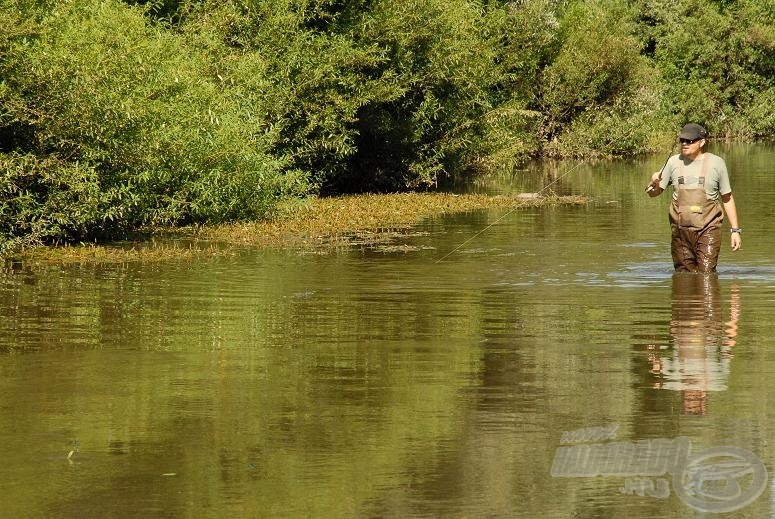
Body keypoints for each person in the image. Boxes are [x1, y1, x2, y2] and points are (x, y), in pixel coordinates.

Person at [646, 123, 741, 272]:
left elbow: (727, 198)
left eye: (690, 141)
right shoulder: (673, 162)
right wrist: (653, 183)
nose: (684, 143)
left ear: (702, 142)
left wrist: (735, 231)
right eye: (682, 140)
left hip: (709, 229)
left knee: (707, 275)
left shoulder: (717, 163)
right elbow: (653, 193)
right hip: (680, 232)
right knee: (683, 276)